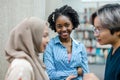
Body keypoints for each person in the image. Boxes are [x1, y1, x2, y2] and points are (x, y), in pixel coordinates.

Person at [43, 5, 89, 80]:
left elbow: (86, 73)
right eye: (59, 26)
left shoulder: (80, 46)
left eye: (67, 25)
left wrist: (61, 73)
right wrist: (76, 72)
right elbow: (50, 74)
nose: (64, 29)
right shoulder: (50, 46)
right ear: (55, 27)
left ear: (72, 24)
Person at [83, 3, 120, 80]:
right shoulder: (113, 50)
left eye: (99, 29)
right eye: (95, 29)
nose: (95, 34)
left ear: (118, 30)